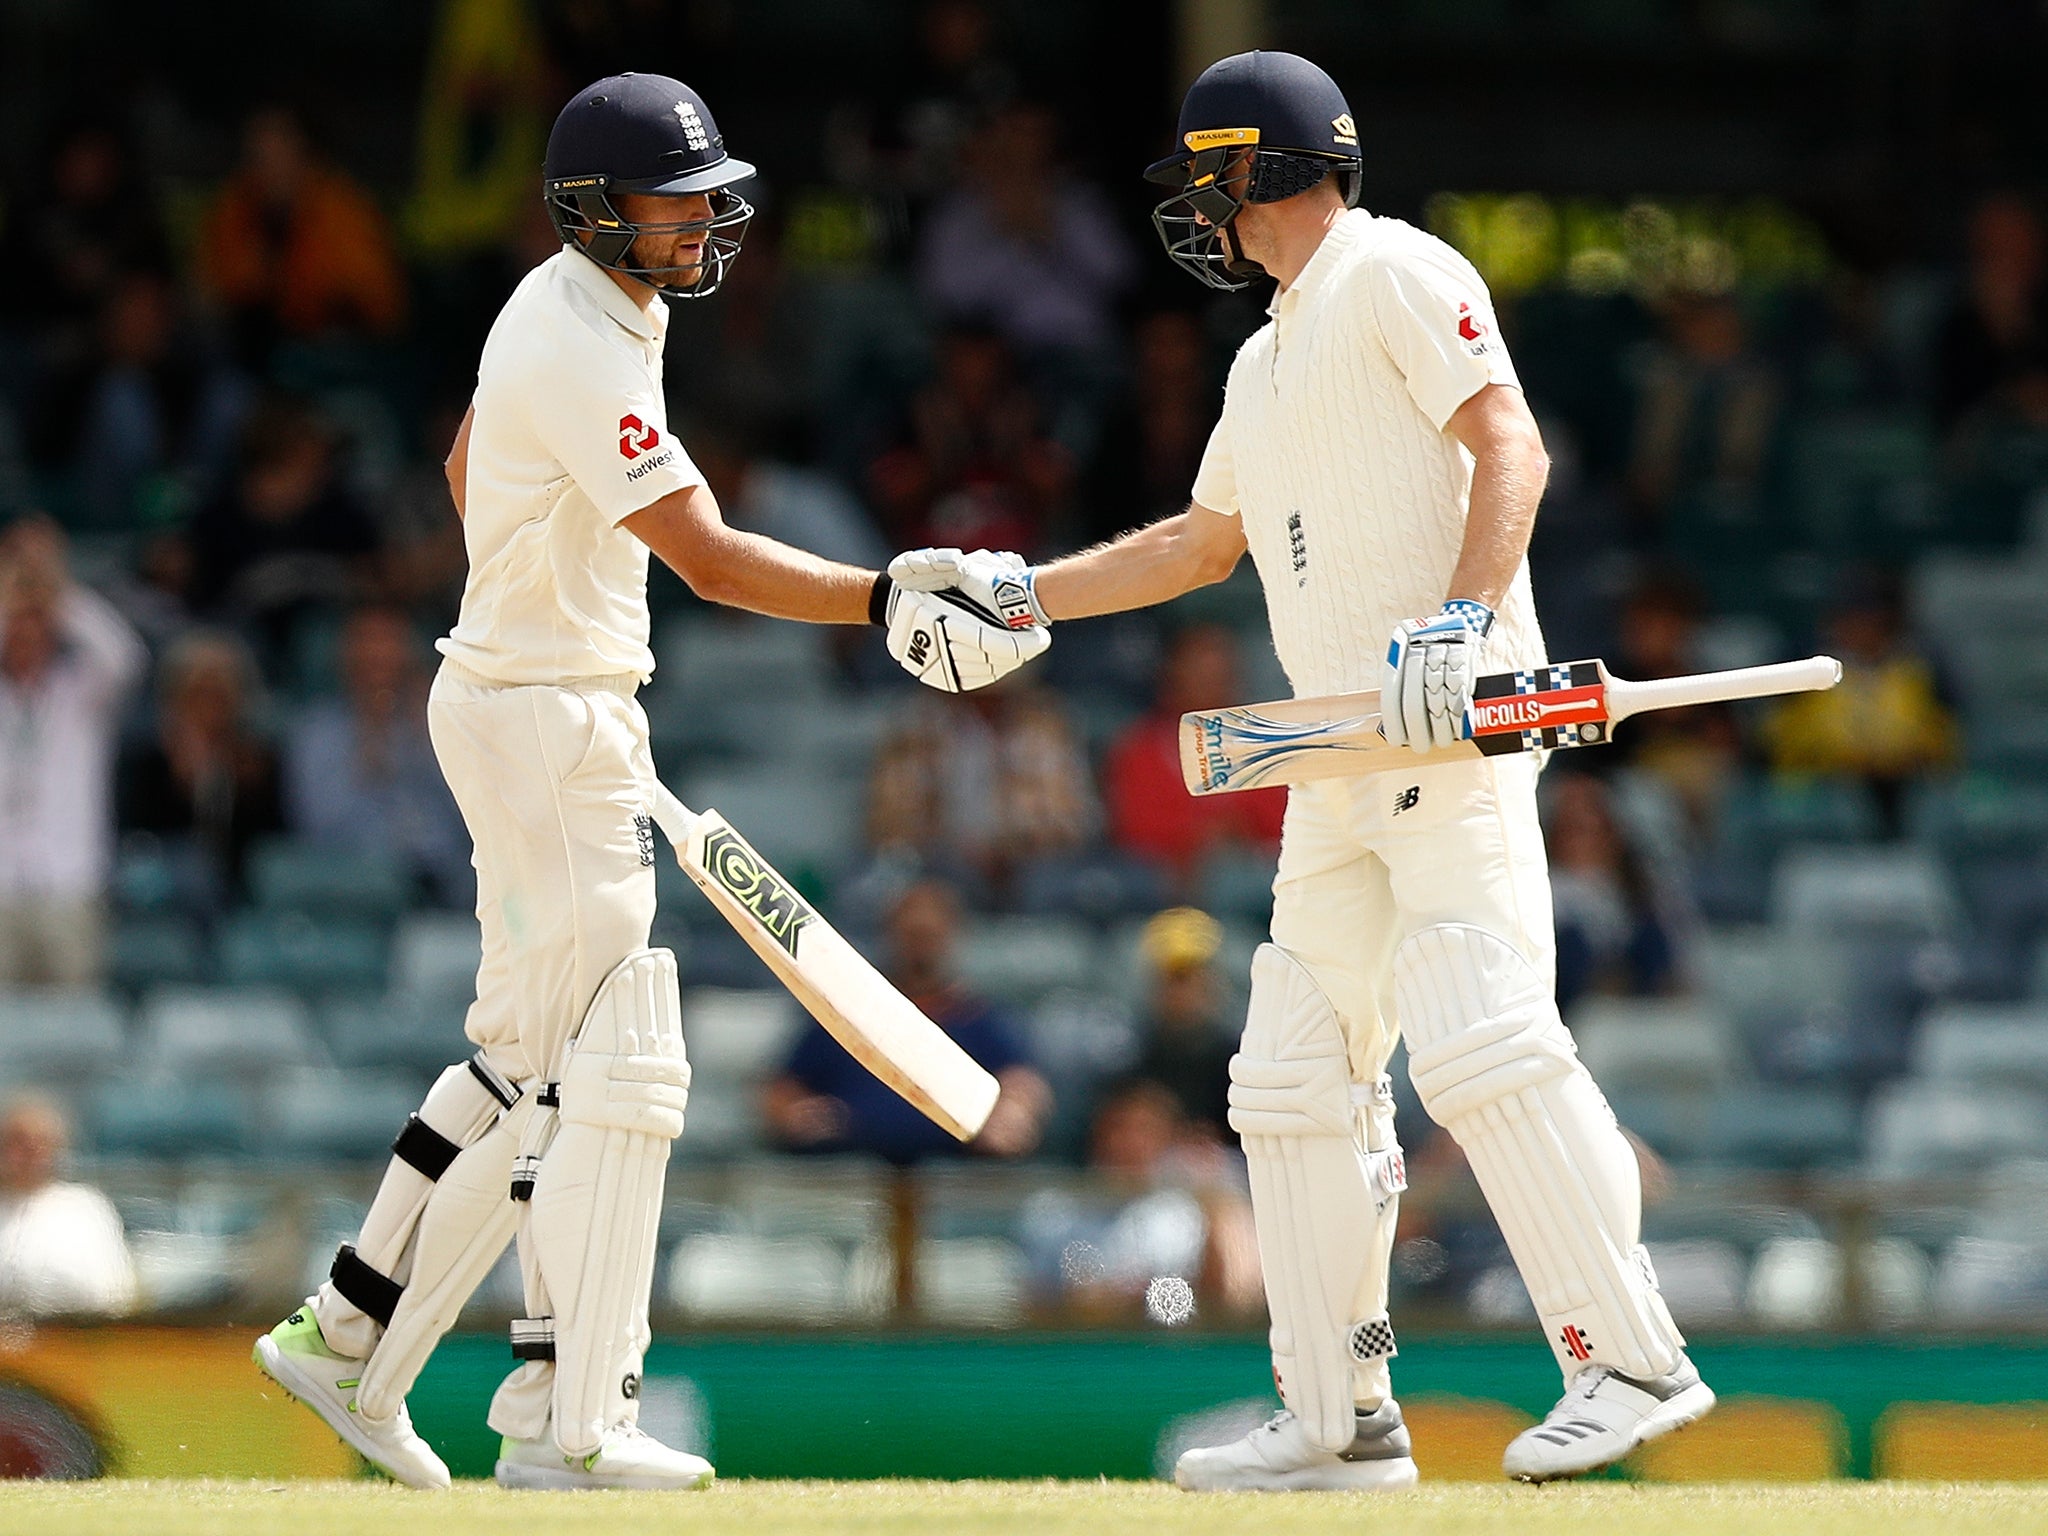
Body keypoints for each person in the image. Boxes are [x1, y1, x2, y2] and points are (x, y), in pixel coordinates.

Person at [888, 52, 1713, 1489]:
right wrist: (1022, 597)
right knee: (1286, 1076)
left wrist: (1461, 620)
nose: (1195, 209)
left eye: (1210, 176)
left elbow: (1507, 444)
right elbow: (1197, 546)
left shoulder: (1398, 269)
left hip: (1450, 733)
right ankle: (1339, 1421)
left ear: (1262, 169)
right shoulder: (1264, 357)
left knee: (1480, 1035)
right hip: (1335, 757)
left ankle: (1629, 1359)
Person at [251, 73, 1042, 1494]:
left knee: (569, 1063)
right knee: (576, 1070)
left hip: (541, 700)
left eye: (704, 195)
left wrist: (529, 589)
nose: (701, 221)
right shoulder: (581, 337)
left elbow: (462, 456)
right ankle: (491, 1397)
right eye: (672, 199)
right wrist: (885, 598)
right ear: (592, 209)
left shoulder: (596, 310)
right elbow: (711, 556)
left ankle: (444, 1363)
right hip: (547, 719)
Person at [761, 877, 1051, 1165]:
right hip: (850, 1171)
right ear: (891, 934)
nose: (920, 948)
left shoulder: (978, 1019)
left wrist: (1012, 1113)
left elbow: (1022, 1084)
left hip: (955, 1175)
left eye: (929, 936)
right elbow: (784, 1088)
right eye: (912, 935)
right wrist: (795, 1113)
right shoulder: (847, 1010)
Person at [0, 516, 146, 985]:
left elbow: (125, 655)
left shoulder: (82, 693)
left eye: (36, 622)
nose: (26, 632)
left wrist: (55, 586)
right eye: (16, 623)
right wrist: (10, 581)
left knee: (76, 1037)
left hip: (69, 884)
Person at [282, 605, 471, 906]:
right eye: (368, 646)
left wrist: (426, 734)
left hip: (444, 885)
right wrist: (369, 742)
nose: (379, 659)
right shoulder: (317, 732)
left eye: (389, 646)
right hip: (353, 887)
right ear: (346, 657)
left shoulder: (440, 723)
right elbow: (315, 825)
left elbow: (468, 815)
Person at [1103, 623, 1286, 894]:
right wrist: (1199, 838)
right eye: (1201, 678)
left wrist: (1237, 829)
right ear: (1173, 677)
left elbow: (1284, 827)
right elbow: (1134, 835)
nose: (1212, 689)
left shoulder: (1265, 745)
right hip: (1163, 885)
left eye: (1220, 678)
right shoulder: (1139, 750)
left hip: (1257, 883)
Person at [116, 628, 283, 904]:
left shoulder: (259, 766)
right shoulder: (148, 765)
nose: (208, 708)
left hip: (242, 903)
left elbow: (267, 853)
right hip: (166, 904)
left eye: (218, 695)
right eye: (197, 694)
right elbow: (137, 846)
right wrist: (181, 784)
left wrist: (237, 788)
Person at [0, 1092, 138, 1319]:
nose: (30, 1153)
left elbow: (114, 1291)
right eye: (19, 1143)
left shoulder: (85, 1208)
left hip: (73, 1339)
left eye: (40, 1142)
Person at [1124, 906, 1238, 1142]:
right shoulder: (1133, 1058)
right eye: (1172, 979)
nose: (1181, 993)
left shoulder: (1240, 1058)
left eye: (1190, 977)